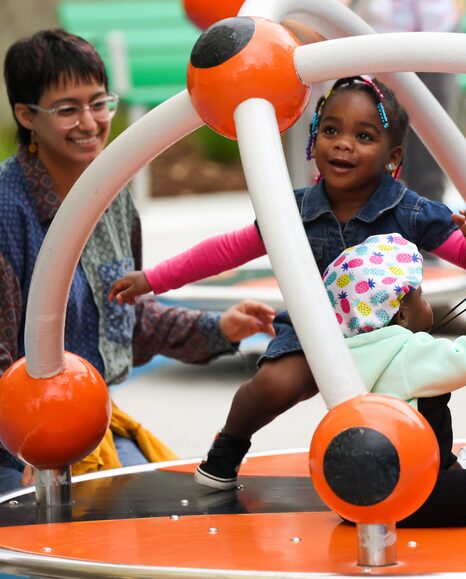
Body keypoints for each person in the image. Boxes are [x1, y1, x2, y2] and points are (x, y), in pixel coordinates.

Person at [108, 76, 466, 491]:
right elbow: (226, 250)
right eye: (331, 130)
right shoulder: (292, 210)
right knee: (273, 385)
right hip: (315, 328)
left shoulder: (411, 210)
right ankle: (228, 447)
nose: (343, 144)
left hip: (390, 338)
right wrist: (153, 278)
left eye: (364, 136)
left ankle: (442, 464)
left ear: (392, 156)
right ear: (314, 139)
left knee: (420, 399)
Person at [0, 29, 276, 492]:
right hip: (16, 438)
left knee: (171, 507)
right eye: (67, 108)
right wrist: (27, 440)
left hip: (85, 426)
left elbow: (128, 318)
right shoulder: (8, 208)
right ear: (27, 116)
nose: (90, 122)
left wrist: (217, 328)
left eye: (98, 102)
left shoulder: (112, 196)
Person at [320, 233, 466, 526]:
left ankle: (448, 468)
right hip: (408, 487)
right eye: (421, 296)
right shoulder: (406, 351)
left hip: (353, 498)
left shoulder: (344, 356)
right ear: (403, 315)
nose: (427, 303)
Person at [346, 0, 463, 204]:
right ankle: (378, 216)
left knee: (434, 136)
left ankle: (431, 221)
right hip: (382, 38)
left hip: (438, 31)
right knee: (381, 137)